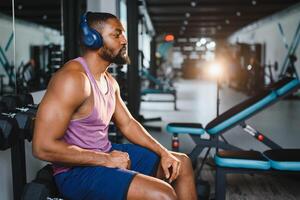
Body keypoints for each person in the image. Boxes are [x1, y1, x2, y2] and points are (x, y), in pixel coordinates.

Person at [33, 12, 197, 200]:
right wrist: (105, 159)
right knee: (163, 195)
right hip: (75, 173)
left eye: (123, 34)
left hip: (105, 153)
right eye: (117, 34)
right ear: (92, 38)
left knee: (181, 164)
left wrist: (164, 152)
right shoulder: (73, 80)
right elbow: (42, 147)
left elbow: (127, 123)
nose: (125, 40)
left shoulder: (109, 81)